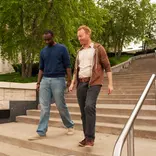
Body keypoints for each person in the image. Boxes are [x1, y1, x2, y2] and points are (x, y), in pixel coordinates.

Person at [69, 25, 113, 147]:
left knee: (89, 106)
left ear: (88, 34)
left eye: (81, 36)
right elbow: (75, 70)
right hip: (81, 83)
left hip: (94, 82)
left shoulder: (98, 48)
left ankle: (90, 138)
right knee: (83, 112)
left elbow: (107, 67)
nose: (79, 38)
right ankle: (86, 137)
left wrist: (110, 84)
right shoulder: (79, 52)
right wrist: (73, 83)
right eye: (78, 36)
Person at [28, 30, 74, 141]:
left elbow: (67, 66)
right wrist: (38, 82)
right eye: (45, 39)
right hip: (45, 80)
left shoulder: (62, 48)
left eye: (48, 39)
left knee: (60, 105)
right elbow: (41, 69)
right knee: (44, 107)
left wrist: (69, 80)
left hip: (58, 79)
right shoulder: (43, 51)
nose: (47, 41)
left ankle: (69, 125)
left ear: (53, 37)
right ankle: (41, 131)